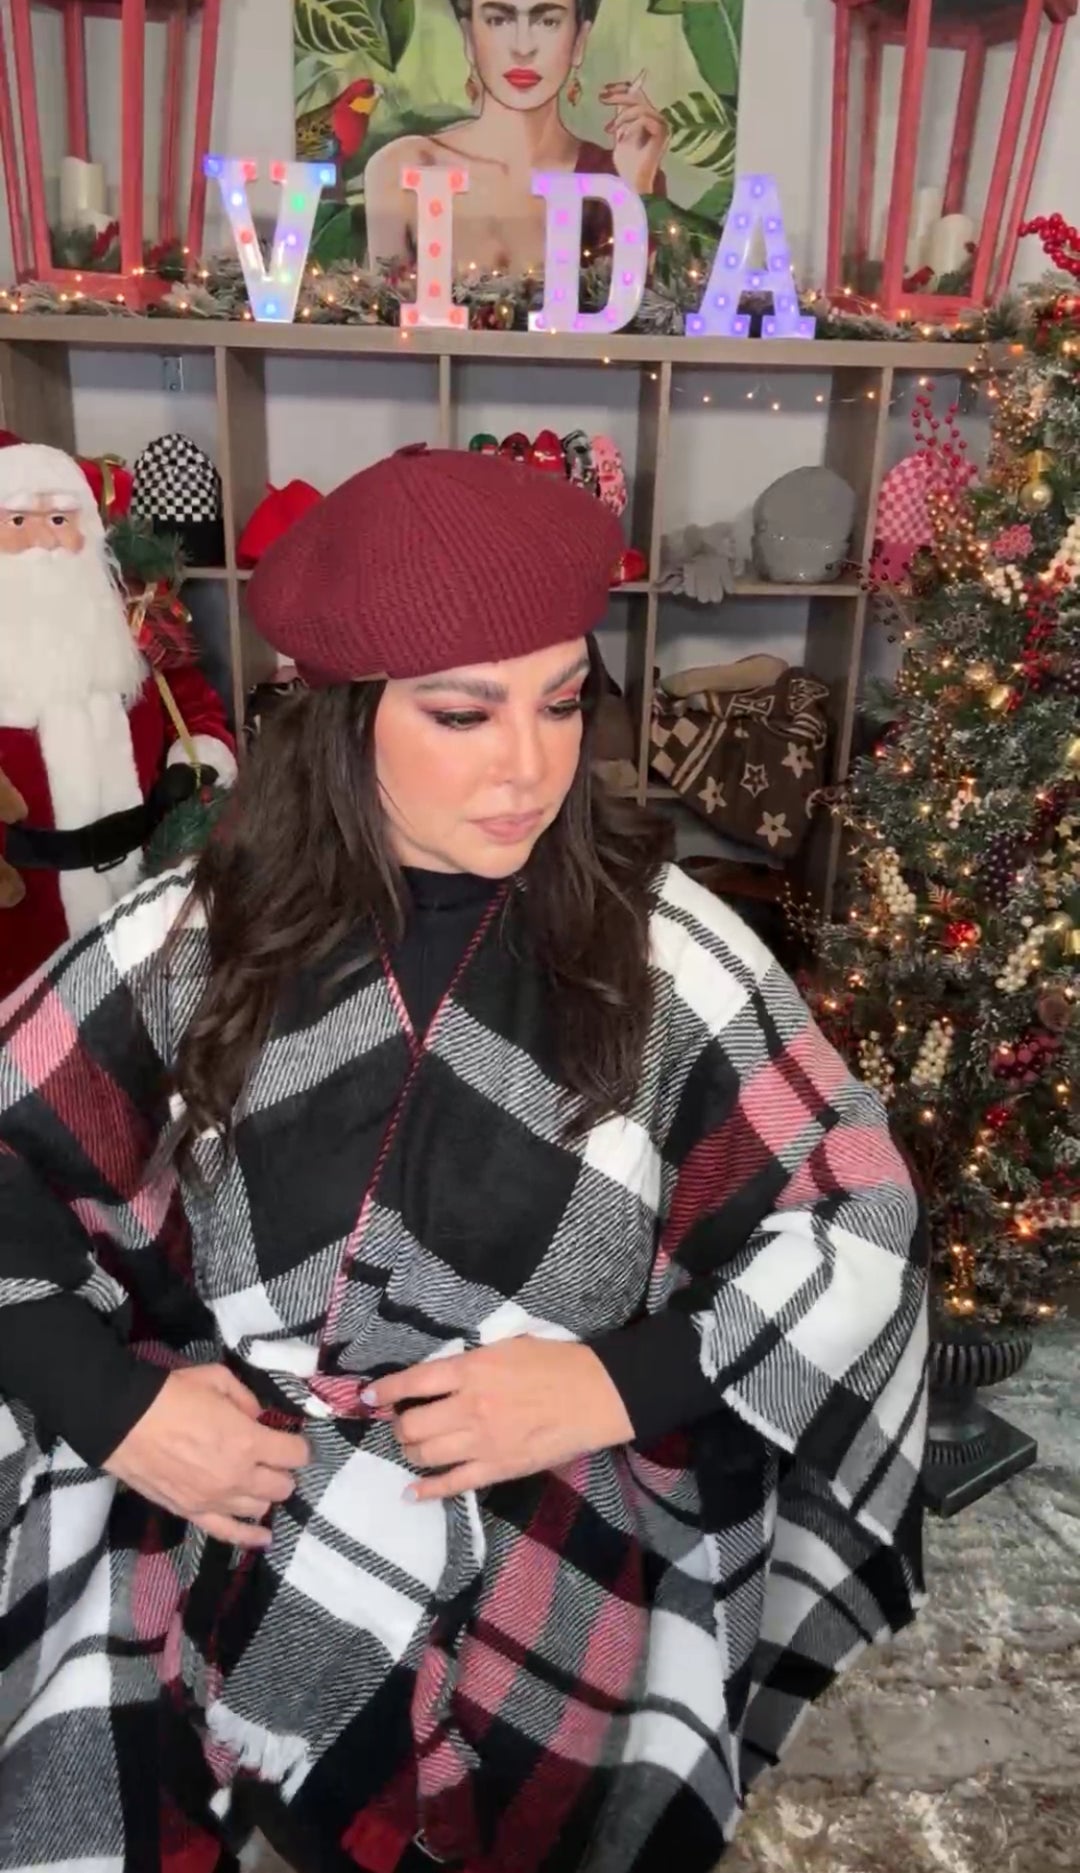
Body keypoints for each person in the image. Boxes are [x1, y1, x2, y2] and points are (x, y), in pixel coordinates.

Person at [0, 447, 927, 1873]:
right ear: (344, 717)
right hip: (220, 1502)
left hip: (558, 1521)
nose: (529, 766)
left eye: (560, 701)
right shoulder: (198, 936)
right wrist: (114, 1409)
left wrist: (611, 1383)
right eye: (462, 711)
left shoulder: (667, 950)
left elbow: (856, 1210)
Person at [0, 443, 236, 1000]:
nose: (43, 541)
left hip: (144, 885)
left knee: (149, 1015)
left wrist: (196, 764)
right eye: (18, 521)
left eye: (60, 520)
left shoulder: (130, 627)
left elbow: (194, 706)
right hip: (27, 911)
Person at [363, 1, 669, 276]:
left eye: (548, 21)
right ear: (469, 37)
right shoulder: (403, 168)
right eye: (499, 20)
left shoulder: (622, 174)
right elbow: (379, 315)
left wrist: (636, 189)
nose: (523, 48)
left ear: (579, 41)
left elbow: (645, 313)